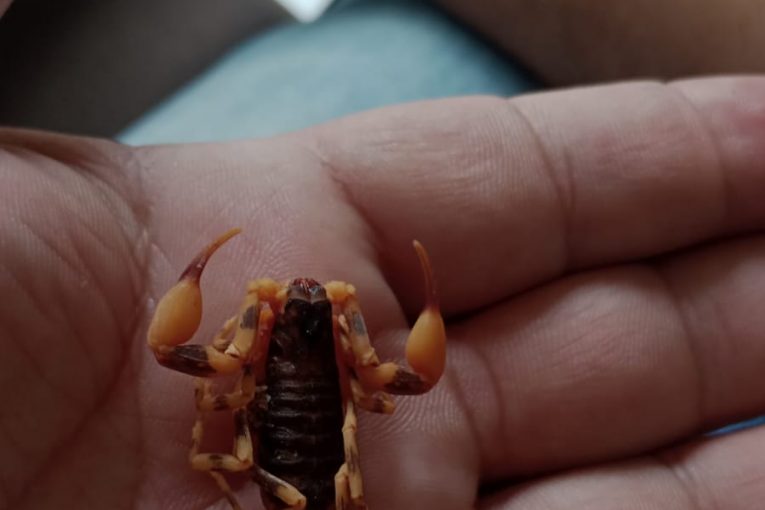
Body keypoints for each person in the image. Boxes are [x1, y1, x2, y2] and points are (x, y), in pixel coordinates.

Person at [1, 1, 764, 509]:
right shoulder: (330, 341)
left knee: (406, 35)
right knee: (417, 35)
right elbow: (400, 381)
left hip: (294, 467)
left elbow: (183, 358)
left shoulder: (255, 343)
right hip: (304, 470)